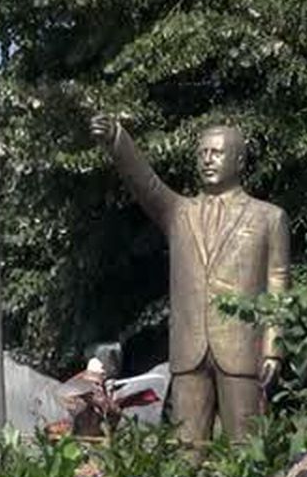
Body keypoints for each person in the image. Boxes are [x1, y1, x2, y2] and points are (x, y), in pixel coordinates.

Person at [90, 114, 291, 448]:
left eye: (217, 153)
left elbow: (278, 286)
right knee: (187, 448)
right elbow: (146, 182)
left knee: (246, 447)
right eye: (202, 153)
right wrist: (116, 140)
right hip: (188, 351)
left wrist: (274, 349)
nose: (207, 160)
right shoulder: (179, 213)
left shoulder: (269, 218)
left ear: (240, 161)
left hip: (242, 348)